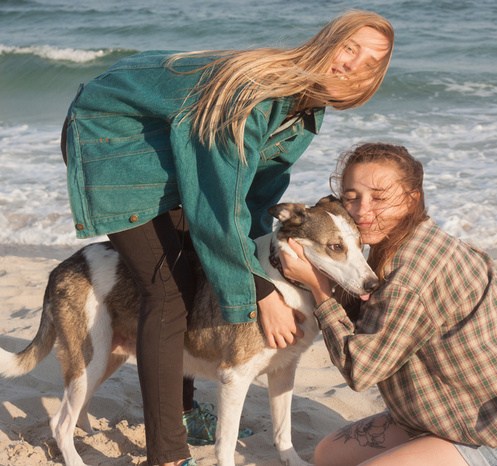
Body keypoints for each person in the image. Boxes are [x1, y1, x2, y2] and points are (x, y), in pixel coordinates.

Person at [60, 11, 393, 466]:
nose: (354, 64)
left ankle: (182, 409)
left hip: (169, 145)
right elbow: (217, 209)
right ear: (327, 41)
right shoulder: (257, 96)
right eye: (350, 47)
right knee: (166, 290)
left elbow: (256, 193)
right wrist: (260, 292)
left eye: (371, 62)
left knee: (196, 263)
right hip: (114, 138)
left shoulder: (306, 110)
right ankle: (168, 455)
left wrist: (260, 267)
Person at [279, 143, 497, 466]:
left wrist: (319, 291)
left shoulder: (410, 274)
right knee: (328, 454)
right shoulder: (398, 243)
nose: (362, 211)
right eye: (351, 197)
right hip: (455, 411)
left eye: (379, 197)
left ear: (412, 198)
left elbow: (360, 370)